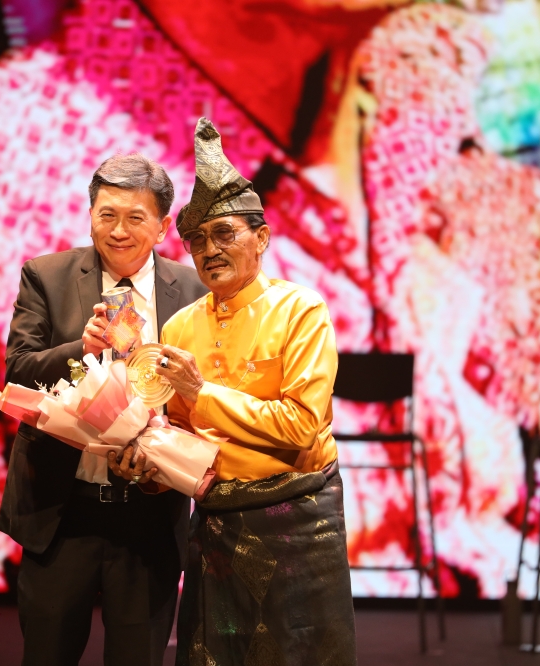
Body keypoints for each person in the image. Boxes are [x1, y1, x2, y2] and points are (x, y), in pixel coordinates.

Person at [155, 118, 358, 665]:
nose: (209, 250)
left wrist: (203, 394)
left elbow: (300, 426)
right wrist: (142, 457)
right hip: (217, 524)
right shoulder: (178, 330)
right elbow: (177, 437)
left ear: (261, 238)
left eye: (225, 233)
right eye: (197, 240)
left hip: (297, 516)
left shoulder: (302, 310)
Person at [0, 152, 208, 666]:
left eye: (135, 218)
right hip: (62, 509)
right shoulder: (45, 275)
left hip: (149, 517)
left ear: (161, 227)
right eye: (106, 215)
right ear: (89, 214)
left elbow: (205, 397)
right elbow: (17, 371)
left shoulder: (195, 291)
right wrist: (80, 349)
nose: (118, 230)